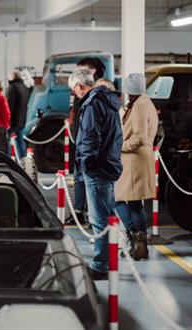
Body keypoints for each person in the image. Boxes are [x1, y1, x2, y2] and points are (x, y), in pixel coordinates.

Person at [69, 67, 122, 280]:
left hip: (97, 170)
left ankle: (101, 266)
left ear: (80, 86)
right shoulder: (109, 101)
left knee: (99, 220)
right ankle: (111, 260)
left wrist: (86, 165)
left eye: (74, 90)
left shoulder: (91, 104)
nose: (75, 94)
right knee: (109, 217)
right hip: (109, 165)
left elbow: (90, 138)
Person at [115, 73, 158, 261]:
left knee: (118, 200)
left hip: (133, 160)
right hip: (139, 160)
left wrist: (119, 147)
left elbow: (139, 137)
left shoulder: (139, 106)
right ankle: (141, 243)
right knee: (134, 203)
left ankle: (134, 236)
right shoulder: (145, 102)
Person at [65, 57, 107, 226]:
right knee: (78, 178)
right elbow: (73, 109)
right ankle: (78, 212)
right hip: (79, 139)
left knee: (91, 180)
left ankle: (93, 215)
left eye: (80, 69)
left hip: (91, 145)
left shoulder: (98, 92)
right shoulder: (78, 90)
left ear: (92, 71)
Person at [6, 70, 30, 159]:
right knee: (20, 141)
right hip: (22, 119)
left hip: (14, 119)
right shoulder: (24, 87)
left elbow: (9, 105)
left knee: (6, 140)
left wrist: (8, 120)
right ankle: (23, 161)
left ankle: (6, 160)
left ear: (13, 77)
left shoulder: (12, 87)